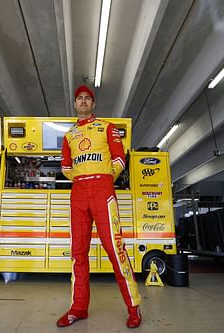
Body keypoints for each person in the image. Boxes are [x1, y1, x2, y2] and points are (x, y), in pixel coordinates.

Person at [57, 85, 142, 328]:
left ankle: (134, 307)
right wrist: (82, 179)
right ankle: (78, 308)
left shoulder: (107, 127)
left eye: (87, 99)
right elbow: (65, 166)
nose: (83, 102)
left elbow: (118, 159)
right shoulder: (69, 135)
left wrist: (103, 177)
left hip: (103, 191)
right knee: (78, 254)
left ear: (93, 104)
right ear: (75, 104)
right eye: (79, 99)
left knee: (116, 250)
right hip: (79, 194)